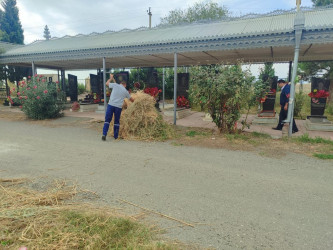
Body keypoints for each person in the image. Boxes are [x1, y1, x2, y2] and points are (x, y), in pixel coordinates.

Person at [102, 74, 134, 141]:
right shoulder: (125, 91)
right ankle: (115, 136)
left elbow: (107, 83)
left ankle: (104, 134)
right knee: (116, 121)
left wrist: (110, 78)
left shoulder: (115, 85)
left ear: (121, 83)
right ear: (125, 84)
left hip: (110, 105)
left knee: (107, 120)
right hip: (118, 108)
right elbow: (131, 100)